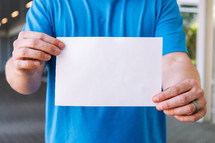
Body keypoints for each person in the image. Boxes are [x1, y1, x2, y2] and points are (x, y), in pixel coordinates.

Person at [5, 0, 207, 143]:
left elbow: (174, 60)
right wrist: (20, 66)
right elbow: (27, 82)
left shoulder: (159, 3)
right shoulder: (50, 3)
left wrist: (183, 89)